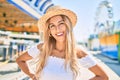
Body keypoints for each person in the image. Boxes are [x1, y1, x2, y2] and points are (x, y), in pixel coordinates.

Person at [16, 5, 108, 80]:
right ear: (50, 31)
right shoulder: (42, 48)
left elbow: (103, 77)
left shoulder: (78, 52)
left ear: (68, 25)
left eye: (61, 23)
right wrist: (32, 76)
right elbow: (20, 60)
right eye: (52, 26)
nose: (57, 29)